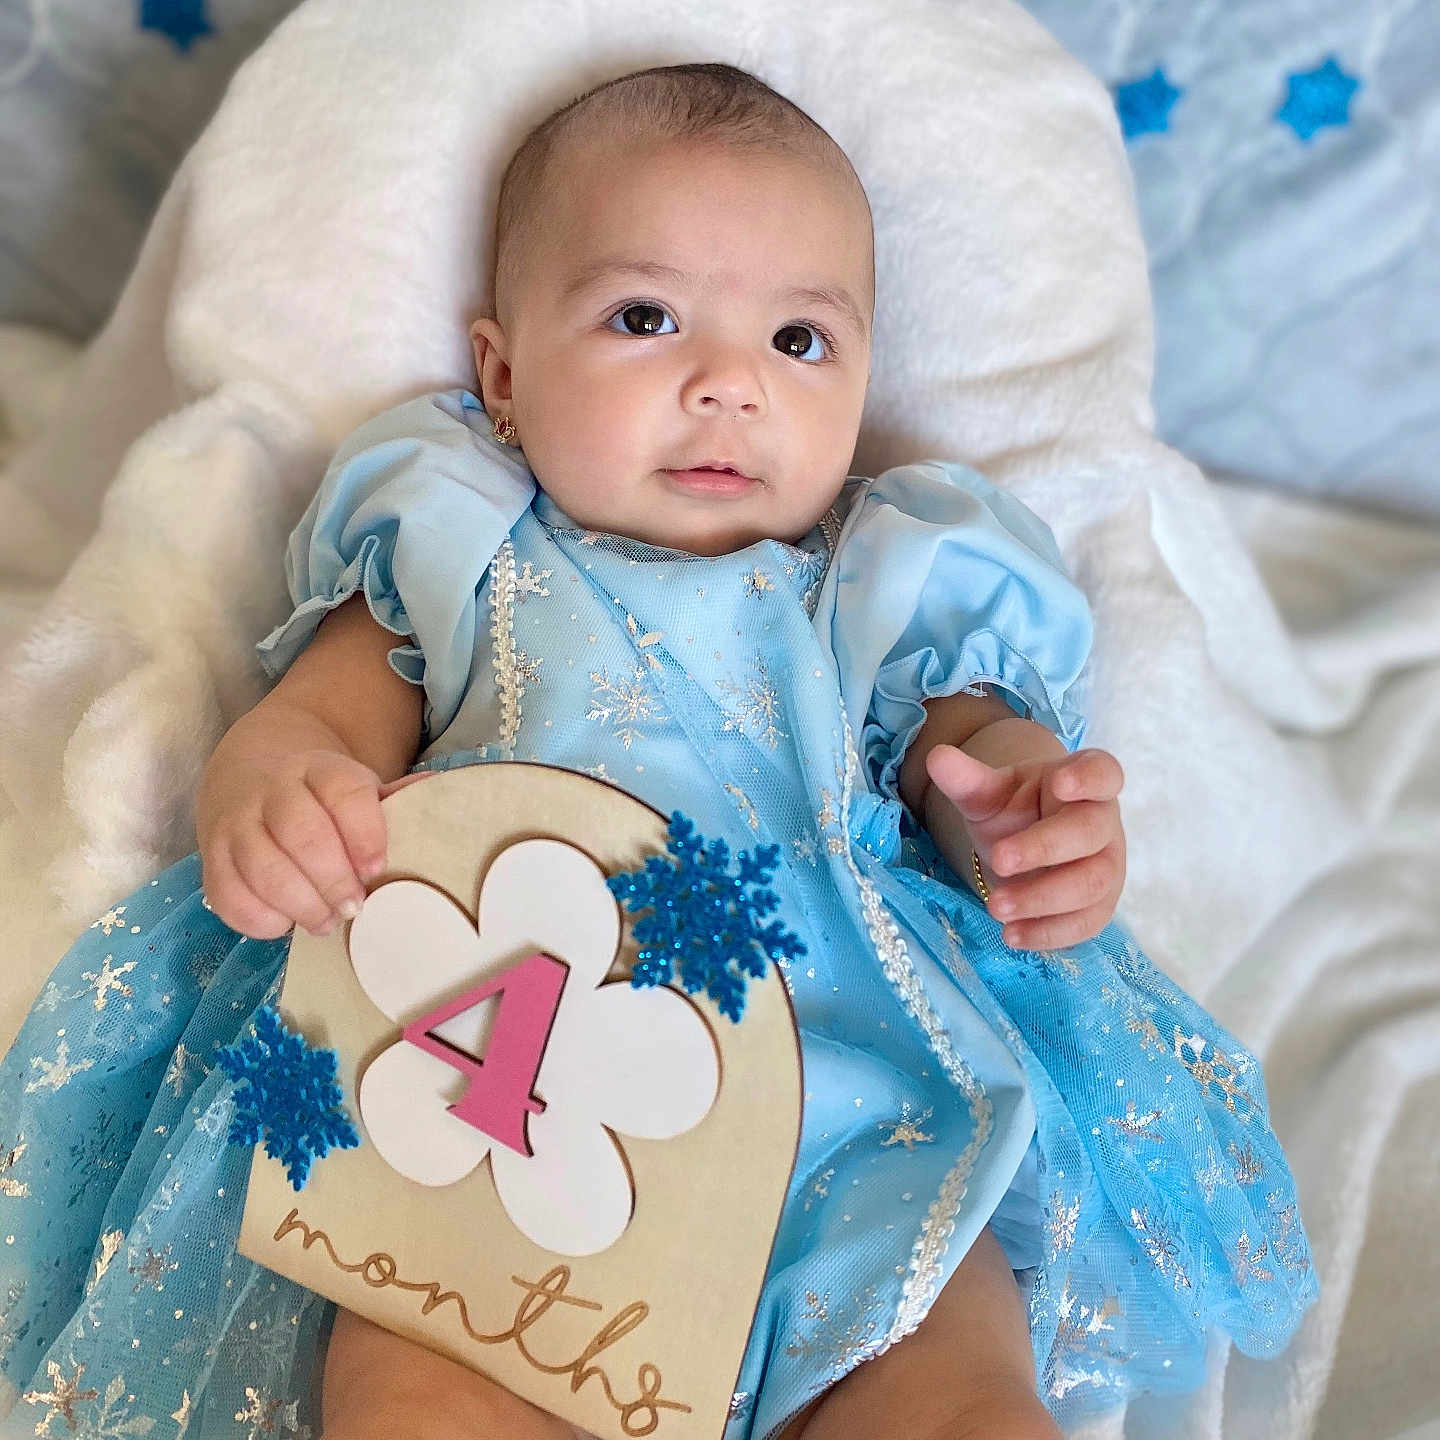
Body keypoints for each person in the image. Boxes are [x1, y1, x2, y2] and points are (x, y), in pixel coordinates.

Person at [0, 62, 1315, 1440]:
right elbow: (320, 720)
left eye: (799, 342)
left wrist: (1024, 813)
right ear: (503, 376)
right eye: (646, 318)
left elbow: (971, 749)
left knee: (955, 1392)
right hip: (487, 1109)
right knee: (407, 1390)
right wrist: (274, 787)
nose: (727, 384)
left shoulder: (879, 579)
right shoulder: (463, 553)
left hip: (843, 1104)